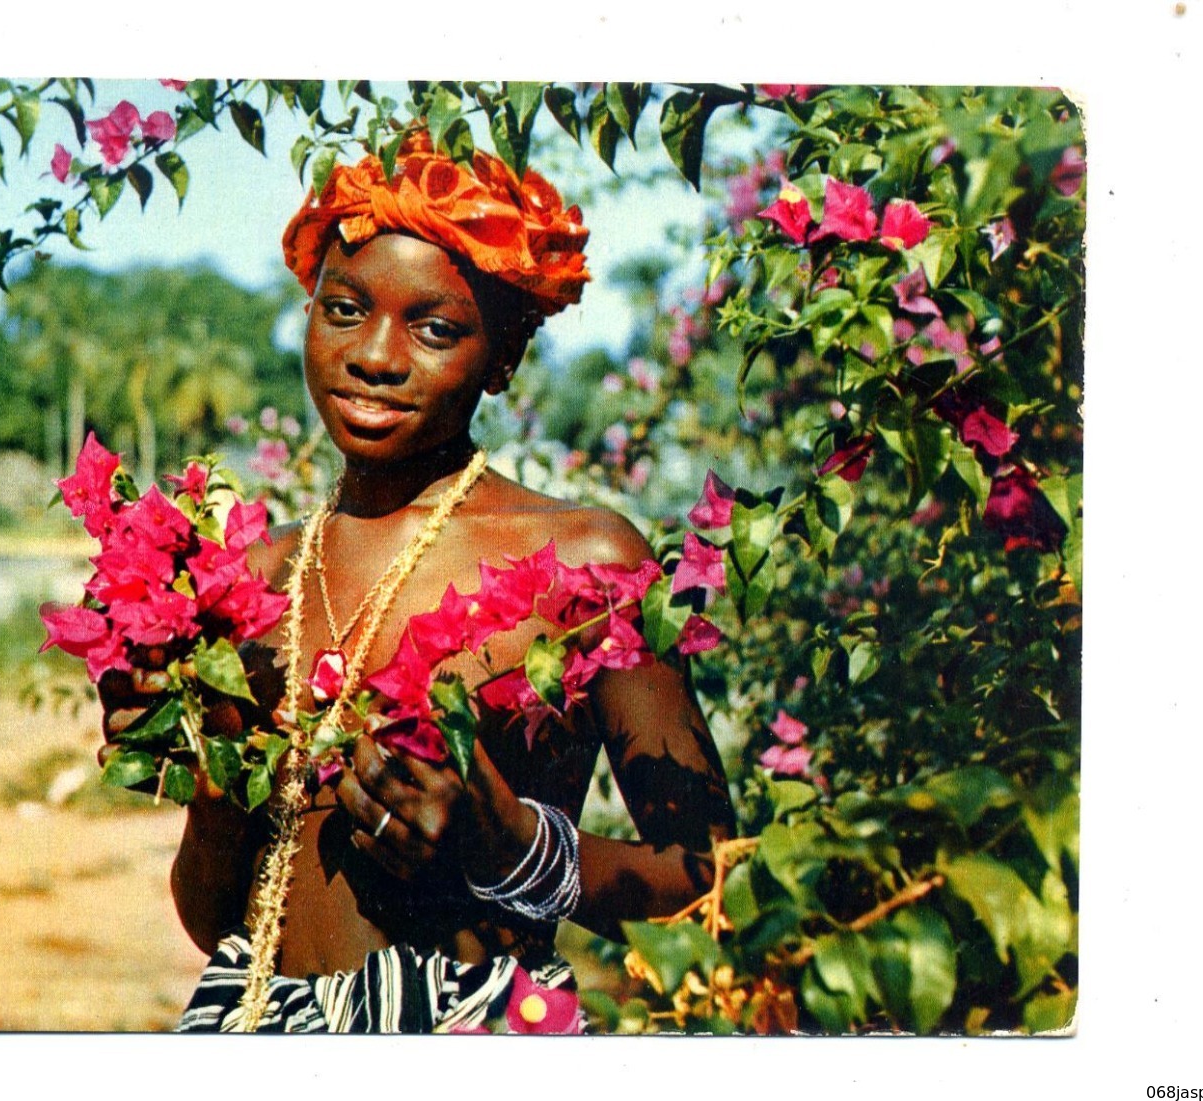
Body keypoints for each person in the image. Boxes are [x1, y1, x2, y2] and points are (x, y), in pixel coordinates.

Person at [100, 135, 734, 1033]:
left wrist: (510, 846)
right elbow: (220, 924)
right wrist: (215, 781)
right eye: (344, 309)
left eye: (434, 328)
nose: (376, 356)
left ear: (503, 359)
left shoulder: (586, 561)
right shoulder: (251, 575)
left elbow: (716, 878)